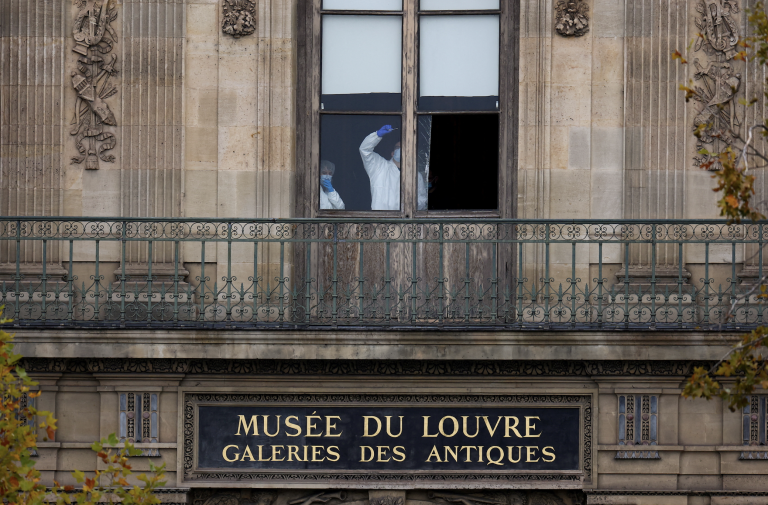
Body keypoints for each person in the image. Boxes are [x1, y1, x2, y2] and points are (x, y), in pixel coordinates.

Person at [359, 125, 400, 211]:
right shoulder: (379, 167)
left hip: (405, 223)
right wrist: (376, 135)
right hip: (380, 221)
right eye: (398, 148)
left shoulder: (415, 175)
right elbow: (365, 150)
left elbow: (421, 199)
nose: (401, 150)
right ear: (392, 153)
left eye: (404, 148)